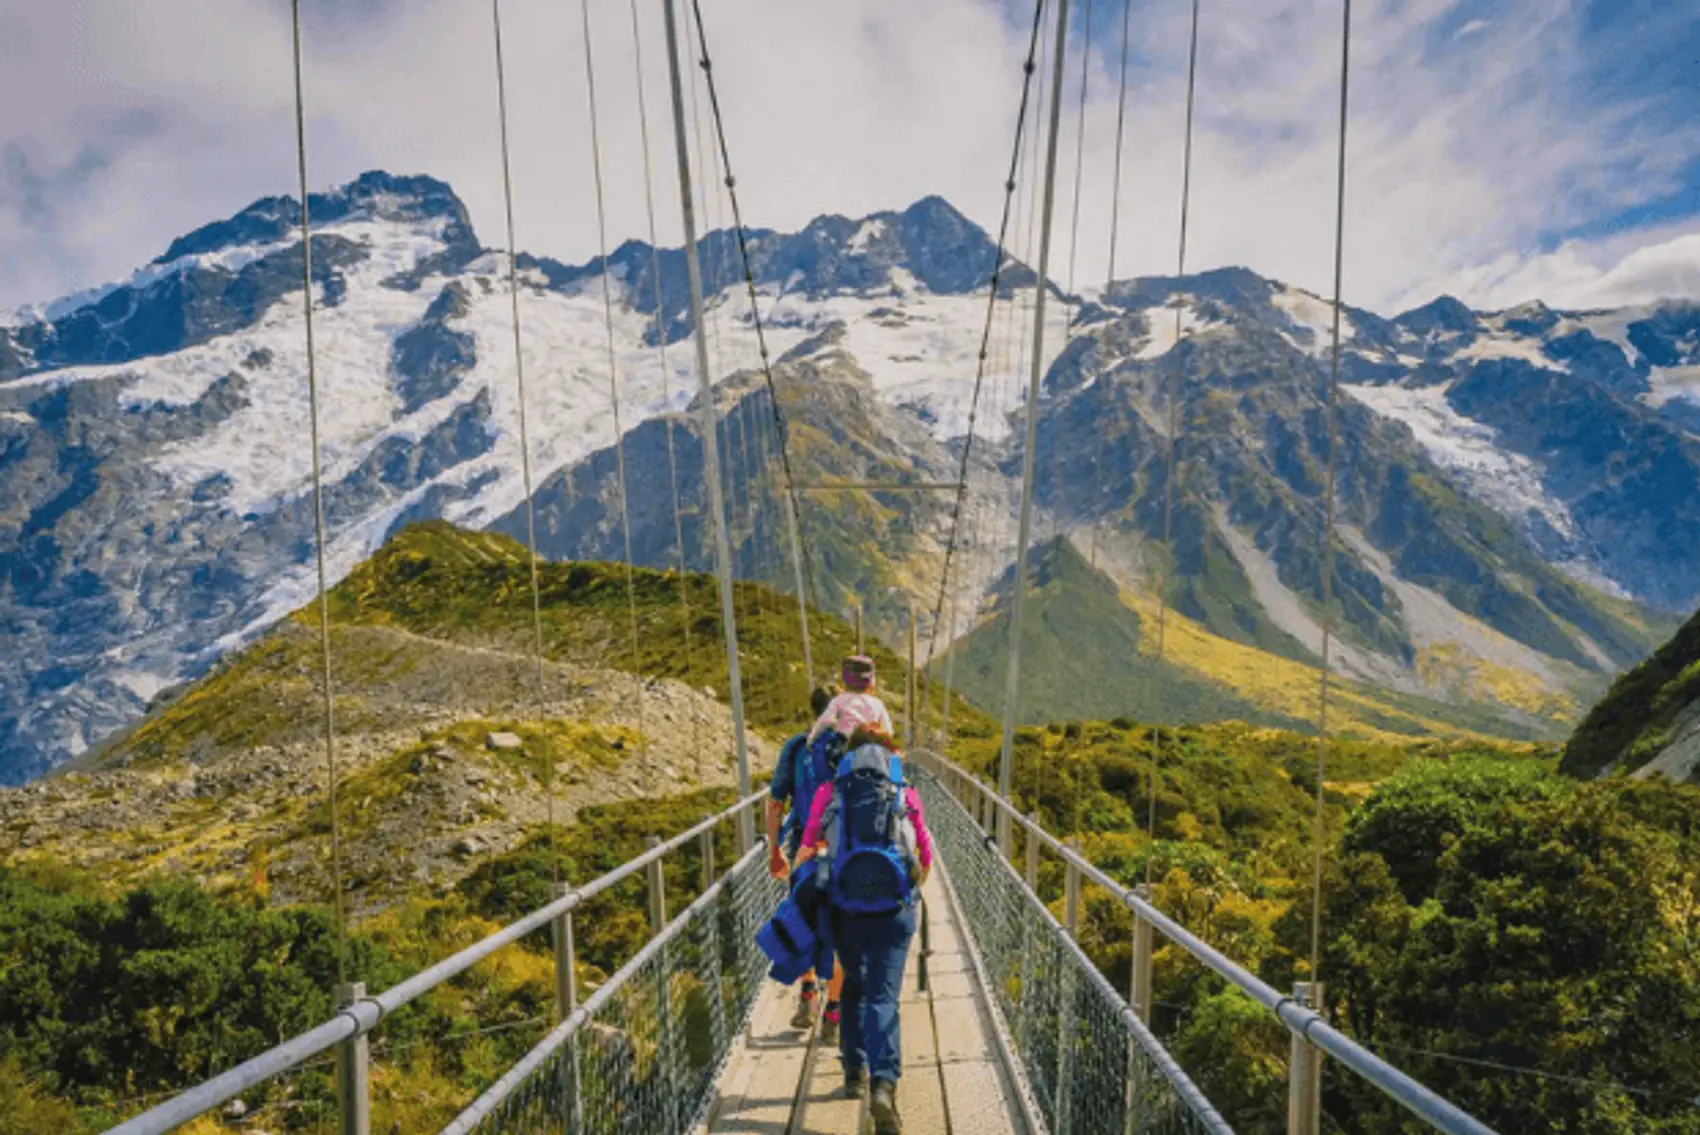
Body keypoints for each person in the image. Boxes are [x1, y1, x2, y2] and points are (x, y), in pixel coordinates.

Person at [796, 724, 932, 1135]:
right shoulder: (904, 793)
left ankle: (853, 1073)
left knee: (853, 984)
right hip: (894, 911)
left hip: (845, 909)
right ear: (888, 756)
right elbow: (925, 855)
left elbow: (806, 849)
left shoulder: (829, 792)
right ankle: (884, 1085)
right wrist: (908, 890)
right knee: (884, 995)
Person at [766, 686, 845, 1035]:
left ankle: (809, 992)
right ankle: (834, 1012)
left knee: (804, 920)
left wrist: (773, 850)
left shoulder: (797, 747)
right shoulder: (852, 746)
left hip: (804, 848)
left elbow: (774, 803)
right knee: (842, 925)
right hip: (844, 849)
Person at [807, 655, 893, 745]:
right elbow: (888, 731)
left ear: (845, 680)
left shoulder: (839, 700)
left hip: (846, 743)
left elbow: (825, 721)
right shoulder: (878, 703)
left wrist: (811, 739)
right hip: (872, 743)